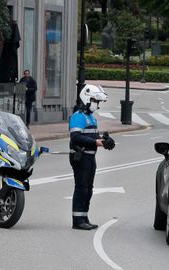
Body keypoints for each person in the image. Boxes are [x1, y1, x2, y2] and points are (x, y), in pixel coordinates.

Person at [69, 84, 113, 230]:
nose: (97, 104)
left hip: (90, 157)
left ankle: (84, 217)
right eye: (95, 101)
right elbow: (75, 138)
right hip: (80, 157)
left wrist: (105, 140)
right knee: (81, 188)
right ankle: (77, 221)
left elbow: (92, 136)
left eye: (98, 102)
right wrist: (95, 142)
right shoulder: (78, 117)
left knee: (88, 189)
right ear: (87, 99)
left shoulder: (91, 118)